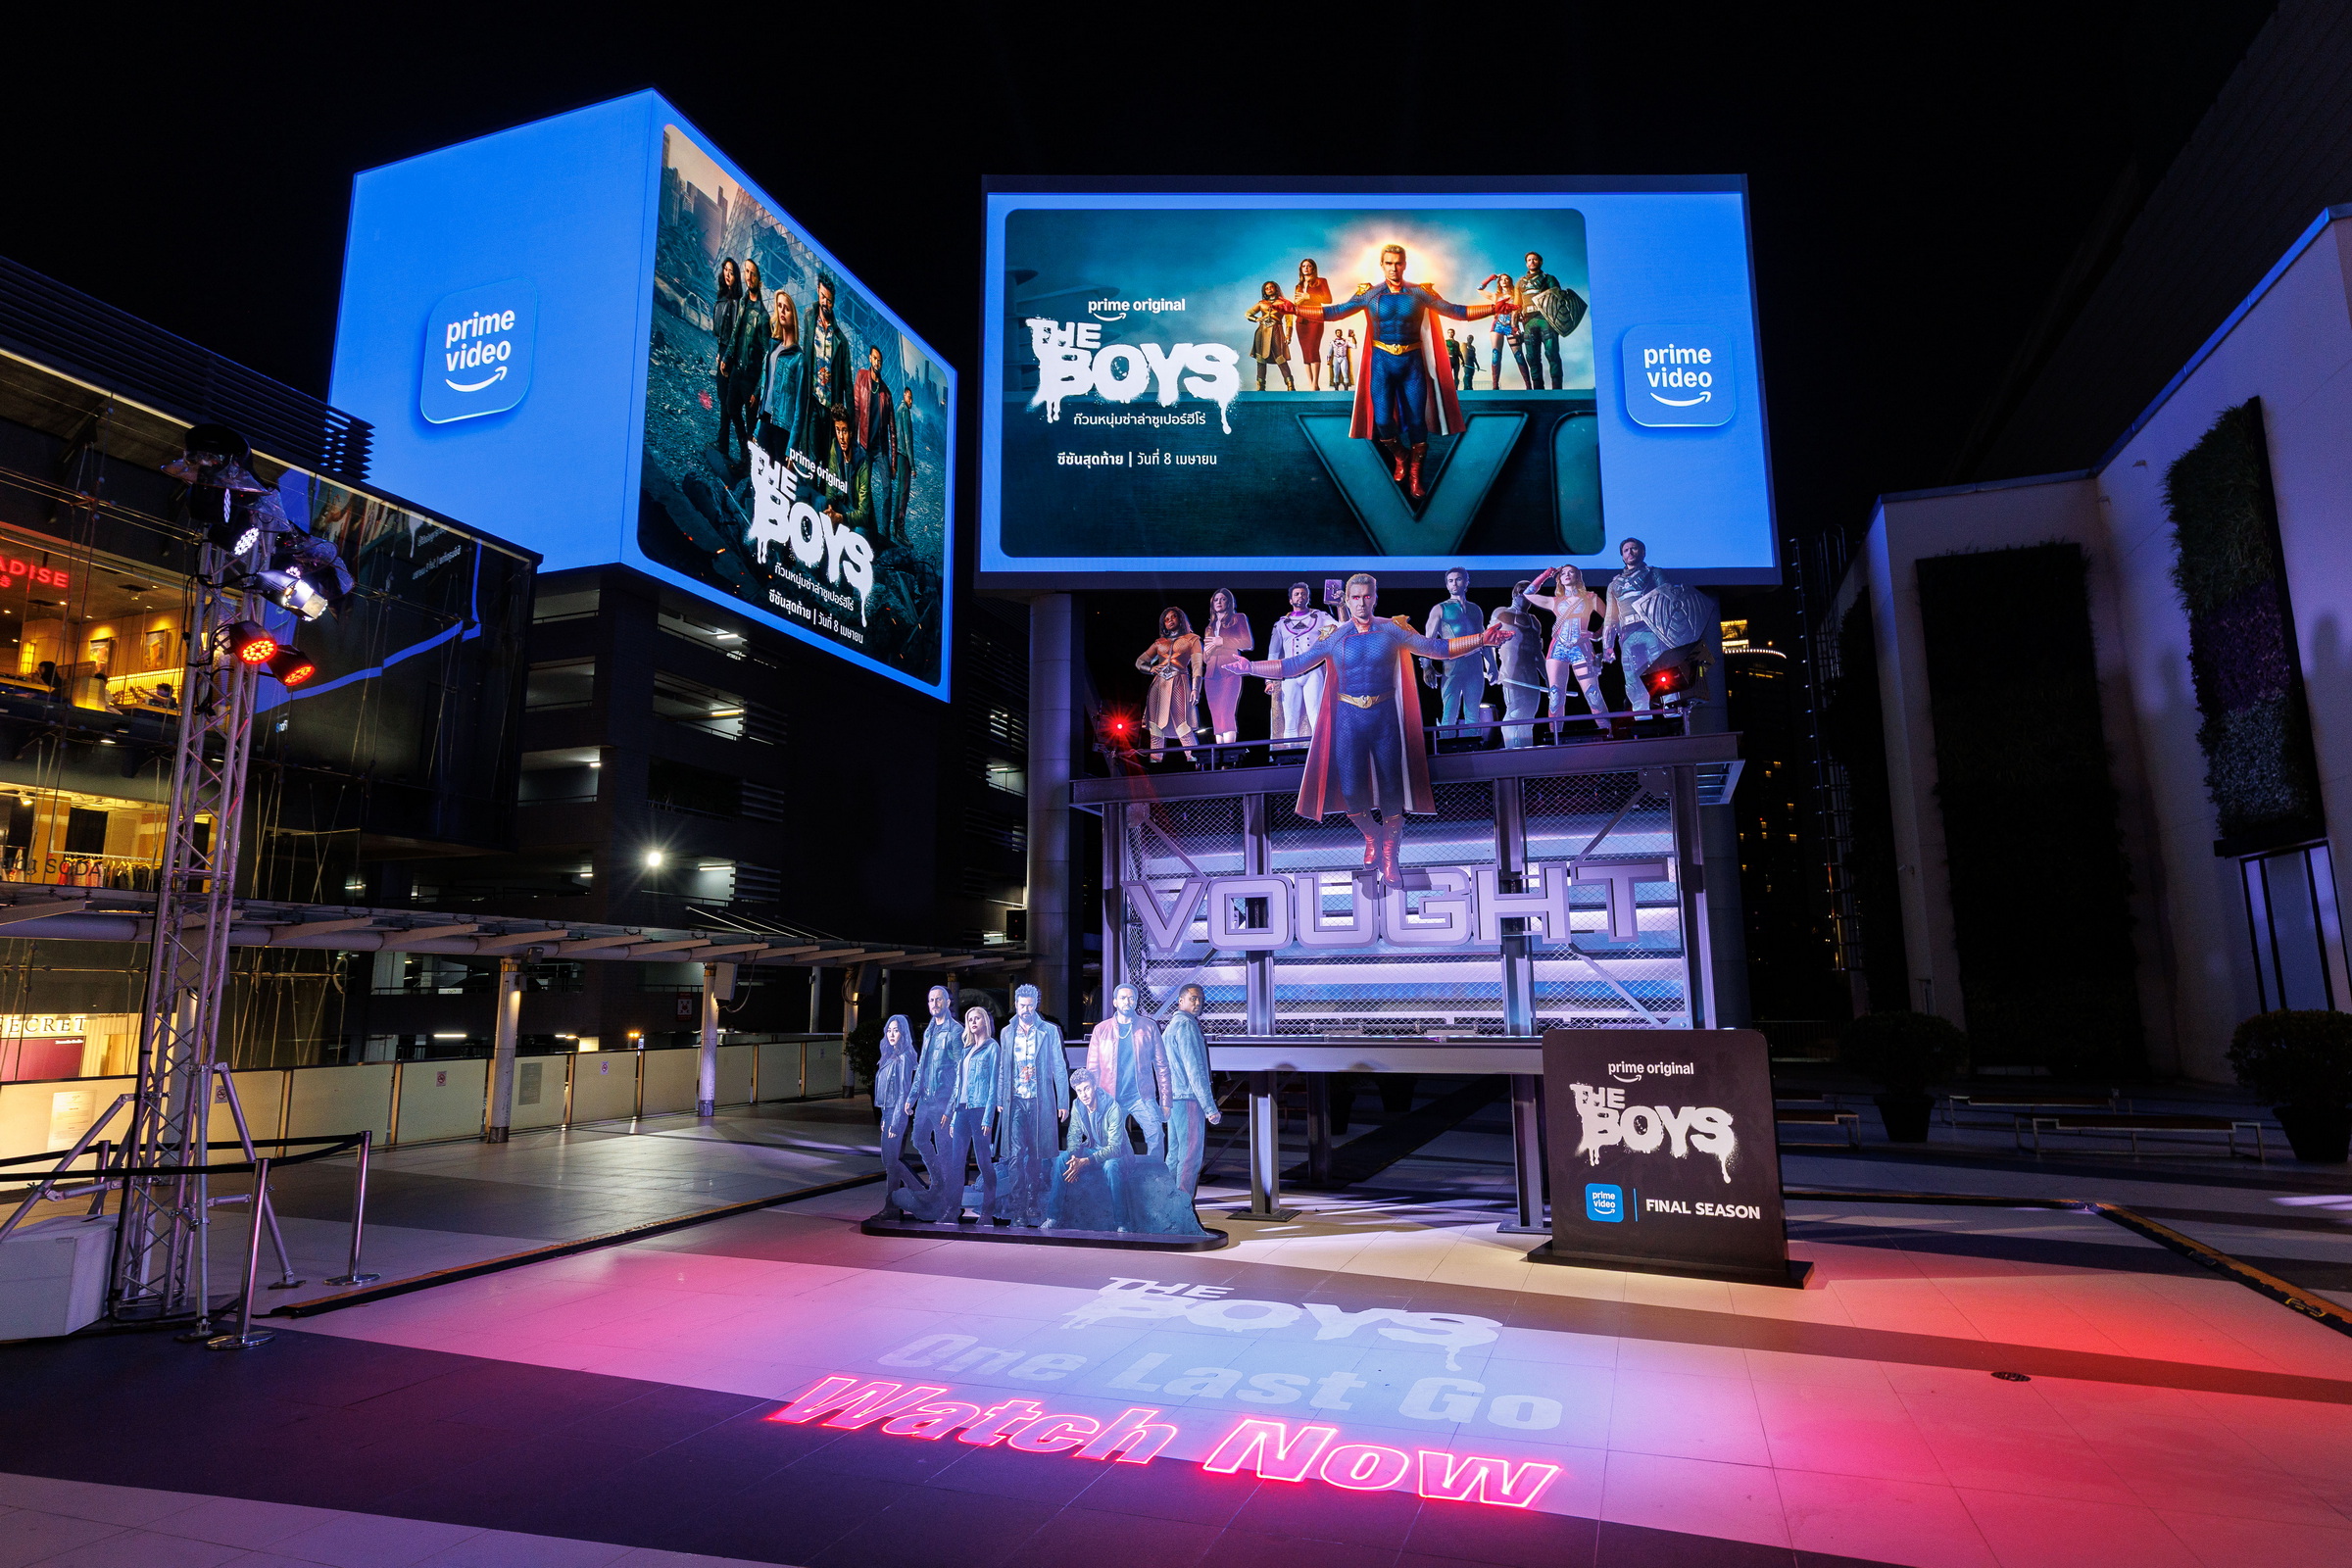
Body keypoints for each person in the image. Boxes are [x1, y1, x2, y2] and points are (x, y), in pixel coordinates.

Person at [1221, 572, 1511, 886]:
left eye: (1367, 596)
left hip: (1384, 717)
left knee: (1391, 790)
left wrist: (1481, 640)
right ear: (1347, 600)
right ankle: (1373, 834)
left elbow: (1437, 648)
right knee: (1350, 792)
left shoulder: (1392, 629)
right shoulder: (1336, 636)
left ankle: (1390, 854)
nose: (1361, 603)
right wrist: (1250, 668)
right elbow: (1295, 665)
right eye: (1355, 597)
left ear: (1375, 598)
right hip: (1348, 718)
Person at [1264, 245, 1506, 501]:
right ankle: (1401, 456)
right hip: (1382, 363)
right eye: (1389, 263)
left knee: (1417, 421)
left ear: (1405, 264)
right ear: (1382, 265)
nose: (1394, 268)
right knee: (1382, 421)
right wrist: (1294, 310)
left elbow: (1455, 311)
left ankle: (1415, 473)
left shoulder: (1420, 292)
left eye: (1398, 263)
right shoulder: (1369, 294)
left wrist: (1493, 309)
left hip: (1412, 363)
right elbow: (1334, 312)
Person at [993, 984, 1069, 1226]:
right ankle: (1018, 1208)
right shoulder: (1007, 1032)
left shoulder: (1049, 1031)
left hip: (1039, 1100)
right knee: (1015, 1155)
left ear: (1037, 1004)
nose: (1026, 1010)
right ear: (1015, 1004)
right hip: (1014, 1100)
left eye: (1030, 1005)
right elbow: (1003, 1067)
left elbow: (1059, 1066)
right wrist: (999, 1098)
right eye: (1022, 1005)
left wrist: (1063, 1101)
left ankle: (1033, 1198)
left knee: (1036, 1154)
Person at [927, 1005, 1002, 1222]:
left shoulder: (992, 1048)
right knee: (956, 1164)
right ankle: (952, 1210)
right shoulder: (967, 1050)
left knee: (984, 1162)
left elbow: (993, 1085)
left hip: (980, 1111)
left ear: (985, 1021)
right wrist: (951, 1115)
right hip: (961, 1111)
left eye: (977, 1018)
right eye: (970, 1019)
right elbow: (958, 1085)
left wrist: (988, 1117)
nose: (973, 1022)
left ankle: (988, 1210)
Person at [1084, 984, 1169, 1159]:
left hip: (1142, 1096)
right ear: (1115, 1002)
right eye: (1123, 998)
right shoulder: (1101, 1029)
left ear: (1136, 1001)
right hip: (1110, 1097)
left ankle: (1154, 1173)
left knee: (1156, 1135)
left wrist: (1166, 1100)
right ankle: (1123, 1169)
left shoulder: (1149, 1027)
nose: (1127, 1002)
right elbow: (1092, 1069)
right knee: (1113, 1142)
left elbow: (1162, 1066)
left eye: (1131, 998)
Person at [1527, 563, 1610, 739]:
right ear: (1559, 579)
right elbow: (1528, 594)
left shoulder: (1590, 597)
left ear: (1578, 577)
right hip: (1558, 648)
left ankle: (1610, 736)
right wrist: (1546, 574)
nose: (1567, 575)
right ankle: (1556, 739)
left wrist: (1596, 634)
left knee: (1593, 695)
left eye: (1571, 572)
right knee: (1555, 696)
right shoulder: (1555, 601)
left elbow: (1611, 618)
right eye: (1563, 573)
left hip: (1581, 648)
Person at [1162, 983, 1221, 1197]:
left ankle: (1167, 1202)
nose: (1198, 1003)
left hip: (1174, 1098)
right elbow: (1194, 1069)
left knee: (1175, 1154)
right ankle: (1183, 1205)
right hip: (1188, 1098)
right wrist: (1209, 1108)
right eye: (1193, 998)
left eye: (1200, 999)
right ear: (1181, 1001)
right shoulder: (1187, 1026)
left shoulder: (1171, 1026)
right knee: (1190, 1157)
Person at [1045, 1068, 1120, 1231]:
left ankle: (1122, 1223)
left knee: (1111, 1167)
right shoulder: (1078, 1105)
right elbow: (1074, 1135)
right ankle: (1053, 1217)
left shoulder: (1112, 1106)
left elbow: (1115, 1148)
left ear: (1094, 1086)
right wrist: (1074, 1159)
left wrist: (1085, 1161)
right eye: (1079, 1091)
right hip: (1093, 1149)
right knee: (1062, 1159)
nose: (1084, 1094)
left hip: (1116, 1155)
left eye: (1086, 1088)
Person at [1266, 581, 1339, 749]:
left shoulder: (1320, 617)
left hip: (1312, 671)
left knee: (1316, 715)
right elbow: (1273, 653)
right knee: (1290, 719)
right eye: (1297, 594)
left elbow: (1340, 627)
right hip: (1289, 675)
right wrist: (1269, 680)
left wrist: (1340, 605)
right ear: (1290, 600)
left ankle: (1319, 753)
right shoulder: (1281, 624)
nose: (1300, 596)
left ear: (1308, 597)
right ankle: (1288, 754)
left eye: (1303, 593)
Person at [1422, 566, 1487, 747]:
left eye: (1458, 579)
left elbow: (1483, 639)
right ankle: (1447, 750)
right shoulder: (1440, 609)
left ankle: (1474, 749)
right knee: (1449, 712)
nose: (1454, 584)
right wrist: (1427, 666)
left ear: (1466, 582)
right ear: (1446, 585)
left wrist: (1492, 664)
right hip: (1452, 667)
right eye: (1450, 581)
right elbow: (1428, 640)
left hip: (1475, 666)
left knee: (1473, 712)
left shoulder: (1475, 609)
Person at [792, 275, 853, 467]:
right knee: (810, 456)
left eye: (829, 300)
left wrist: (849, 421)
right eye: (823, 297)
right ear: (818, 292)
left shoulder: (841, 341)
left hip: (831, 408)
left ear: (834, 302)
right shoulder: (809, 318)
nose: (825, 303)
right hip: (812, 400)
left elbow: (848, 383)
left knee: (827, 460)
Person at [1602, 538, 1668, 714]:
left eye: (1634, 548)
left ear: (1642, 552)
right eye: (1626, 550)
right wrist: (1607, 646)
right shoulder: (1614, 584)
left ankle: (1672, 711)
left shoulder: (1654, 573)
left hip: (1652, 629)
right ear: (1622, 556)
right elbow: (1610, 616)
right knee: (1632, 679)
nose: (1630, 552)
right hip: (1627, 635)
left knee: (1663, 672)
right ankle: (1641, 717)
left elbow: (1668, 599)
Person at [909, 986, 961, 1208]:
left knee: (945, 1148)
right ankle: (939, 1182)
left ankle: (949, 1199)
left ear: (948, 1002)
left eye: (939, 999)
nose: (934, 1004)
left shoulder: (955, 1031)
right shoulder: (929, 1030)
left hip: (943, 1099)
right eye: (931, 1000)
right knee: (918, 1139)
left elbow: (960, 1070)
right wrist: (912, 1096)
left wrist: (952, 1106)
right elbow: (922, 1065)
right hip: (925, 1099)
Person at [1136, 607, 1203, 764]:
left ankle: (1194, 758)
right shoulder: (1159, 642)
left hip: (1179, 682)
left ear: (1180, 618)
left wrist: (1196, 688)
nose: (1170, 620)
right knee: (1155, 724)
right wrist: (1151, 668)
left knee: (1182, 722)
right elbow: (1139, 662)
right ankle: (1156, 761)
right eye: (1166, 619)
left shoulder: (1192, 639)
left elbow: (1197, 666)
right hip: (1158, 685)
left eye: (1173, 617)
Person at [1513, 250, 1587, 391]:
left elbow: (1559, 299)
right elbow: (1516, 306)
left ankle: (1557, 389)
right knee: (1532, 357)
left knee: (1551, 353)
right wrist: (1514, 325)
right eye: (1529, 260)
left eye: (1535, 259)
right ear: (1526, 263)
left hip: (1546, 319)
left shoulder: (1549, 279)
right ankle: (1538, 390)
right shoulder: (1520, 283)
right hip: (1528, 321)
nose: (1532, 262)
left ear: (1540, 262)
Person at [1488, 581, 1547, 749]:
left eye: (1530, 592)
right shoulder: (1502, 613)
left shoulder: (1534, 621)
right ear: (1515, 594)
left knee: (1528, 719)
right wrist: (1492, 668)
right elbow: (1488, 641)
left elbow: (1538, 654)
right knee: (1515, 713)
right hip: (1512, 673)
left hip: (1531, 676)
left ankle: (1525, 755)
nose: (1525, 596)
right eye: (1522, 591)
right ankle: (1511, 752)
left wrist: (1548, 678)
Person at [723, 260, 769, 470]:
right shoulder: (743, 303)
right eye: (746, 272)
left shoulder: (763, 316)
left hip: (751, 380)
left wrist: (758, 390)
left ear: (760, 281)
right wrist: (727, 357)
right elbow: (736, 333)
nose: (748, 277)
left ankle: (749, 468)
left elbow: (767, 355)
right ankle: (744, 455)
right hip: (737, 371)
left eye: (753, 273)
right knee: (731, 408)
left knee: (752, 427)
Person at [1198, 588, 1253, 760]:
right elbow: (1206, 656)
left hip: (1230, 669)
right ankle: (1219, 756)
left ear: (1229, 602)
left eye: (1222, 599)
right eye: (1216, 600)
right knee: (1216, 715)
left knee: (1227, 711)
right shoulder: (1209, 627)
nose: (1219, 602)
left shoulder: (1238, 618)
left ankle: (1229, 756)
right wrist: (1206, 653)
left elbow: (1247, 643)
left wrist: (1221, 641)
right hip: (1211, 673)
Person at [874, 1014, 920, 1211]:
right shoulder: (888, 1056)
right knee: (890, 1162)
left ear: (903, 1033)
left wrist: (894, 1121)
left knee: (891, 1162)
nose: (892, 1034)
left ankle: (897, 1204)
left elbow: (903, 1091)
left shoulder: (904, 1057)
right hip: (888, 1113)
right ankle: (911, 1198)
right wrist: (885, 1117)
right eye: (889, 1030)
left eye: (896, 1030)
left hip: (897, 1113)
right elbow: (885, 1091)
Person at [854, 345, 900, 542]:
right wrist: (853, 444)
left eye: (880, 360)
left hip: (881, 450)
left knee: (888, 490)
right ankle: (868, 528)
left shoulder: (886, 394)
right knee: (865, 490)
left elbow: (893, 432)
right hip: (864, 445)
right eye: (874, 358)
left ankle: (885, 533)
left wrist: (894, 463)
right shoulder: (861, 377)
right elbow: (856, 410)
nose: (877, 362)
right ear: (869, 358)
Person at [758, 289, 802, 462]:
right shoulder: (773, 347)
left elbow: (800, 406)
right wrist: (757, 427)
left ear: (793, 315)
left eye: (787, 308)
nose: (782, 311)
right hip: (765, 419)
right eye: (779, 306)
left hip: (782, 429)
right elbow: (766, 387)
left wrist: (792, 448)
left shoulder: (799, 358)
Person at [710, 259, 742, 455]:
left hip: (729, 356)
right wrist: (719, 352)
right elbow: (721, 330)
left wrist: (726, 357)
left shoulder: (737, 302)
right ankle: (723, 442)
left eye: (731, 271)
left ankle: (724, 444)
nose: (728, 274)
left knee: (726, 401)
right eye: (725, 270)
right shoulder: (722, 297)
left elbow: (735, 335)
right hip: (722, 350)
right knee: (723, 399)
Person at [1478, 270, 1531, 389]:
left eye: (1506, 279)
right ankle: (1495, 386)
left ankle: (1528, 386)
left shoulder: (1517, 296)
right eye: (1501, 279)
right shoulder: (1496, 296)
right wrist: (1491, 278)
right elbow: (1479, 289)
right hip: (1497, 326)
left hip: (1512, 327)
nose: (1504, 281)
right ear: (1499, 282)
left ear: (1510, 281)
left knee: (1519, 355)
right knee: (1496, 354)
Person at [1245, 281, 1295, 391]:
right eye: (1267, 288)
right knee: (1260, 359)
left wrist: (1288, 335)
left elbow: (1289, 321)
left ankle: (1290, 386)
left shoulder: (1284, 303)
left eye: (1271, 287)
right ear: (1264, 291)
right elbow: (1247, 314)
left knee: (1280, 358)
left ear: (1276, 288)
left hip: (1277, 330)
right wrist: (1256, 319)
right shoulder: (1261, 303)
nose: (1269, 289)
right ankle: (1260, 387)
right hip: (1261, 332)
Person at [1293, 258, 1334, 390]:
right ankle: (1310, 383)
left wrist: (1308, 297)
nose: (1306, 268)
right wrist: (1296, 303)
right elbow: (1296, 302)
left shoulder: (1321, 281)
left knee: (1313, 349)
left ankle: (1315, 383)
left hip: (1315, 318)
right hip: (1301, 320)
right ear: (1301, 269)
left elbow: (1328, 299)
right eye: (1303, 266)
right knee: (1305, 351)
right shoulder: (1298, 286)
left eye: (1309, 266)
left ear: (1313, 268)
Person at [893, 385, 917, 538]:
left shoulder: (898, 409)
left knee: (899, 492)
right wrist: (913, 466)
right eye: (909, 398)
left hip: (899, 455)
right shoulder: (905, 412)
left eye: (912, 399)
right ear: (904, 396)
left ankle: (895, 528)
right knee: (904, 495)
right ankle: (900, 531)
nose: (911, 401)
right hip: (905, 457)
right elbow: (908, 440)